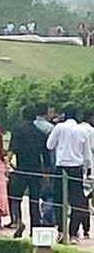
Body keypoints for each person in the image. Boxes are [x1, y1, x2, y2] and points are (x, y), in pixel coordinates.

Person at [46, 103, 92, 245]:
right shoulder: (82, 130)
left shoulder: (59, 128)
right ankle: (73, 234)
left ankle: (61, 230)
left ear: (64, 115)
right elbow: (87, 154)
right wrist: (88, 168)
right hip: (76, 168)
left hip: (61, 167)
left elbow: (49, 145)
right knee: (77, 202)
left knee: (59, 201)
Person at [9, 105, 50, 238]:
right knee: (34, 200)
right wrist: (46, 173)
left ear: (23, 116)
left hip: (21, 168)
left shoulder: (17, 131)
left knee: (15, 197)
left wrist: (8, 164)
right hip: (36, 170)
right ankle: (35, 227)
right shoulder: (40, 134)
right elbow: (46, 156)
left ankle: (19, 220)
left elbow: (12, 150)